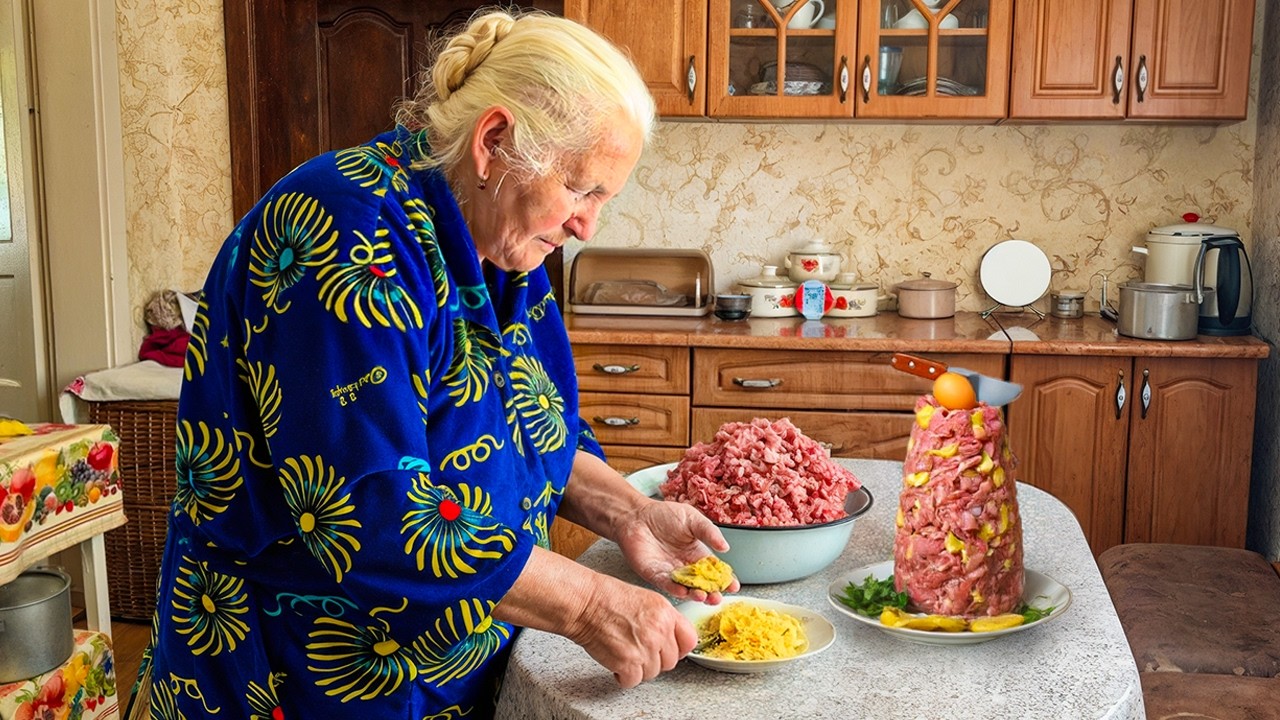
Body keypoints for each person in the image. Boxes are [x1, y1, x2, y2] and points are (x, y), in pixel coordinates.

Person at [132, 9, 738, 719]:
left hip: (443, 672)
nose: (587, 224)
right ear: (494, 142)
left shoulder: (502, 238)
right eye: (582, 189)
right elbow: (369, 513)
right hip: (295, 674)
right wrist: (589, 605)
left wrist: (632, 512)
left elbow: (533, 433)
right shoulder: (345, 235)